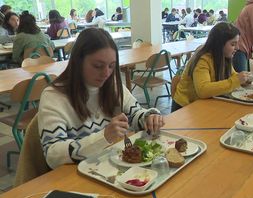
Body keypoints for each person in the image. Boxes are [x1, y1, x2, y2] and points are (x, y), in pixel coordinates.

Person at [38, 28, 164, 169]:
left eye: (111, 66)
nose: (106, 73)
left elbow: (135, 113)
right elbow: (52, 154)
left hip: (108, 167)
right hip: (74, 174)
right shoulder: (54, 96)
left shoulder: (113, 85)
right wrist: (103, 137)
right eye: (98, 66)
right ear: (78, 62)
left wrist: (149, 117)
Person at [172, 22, 249, 112]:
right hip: (185, 109)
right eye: (233, 44)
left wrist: (244, 79)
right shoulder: (203, 59)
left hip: (205, 104)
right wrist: (236, 81)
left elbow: (233, 76)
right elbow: (203, 90)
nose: (237, 48)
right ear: (219, 44)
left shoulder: (224, 56)